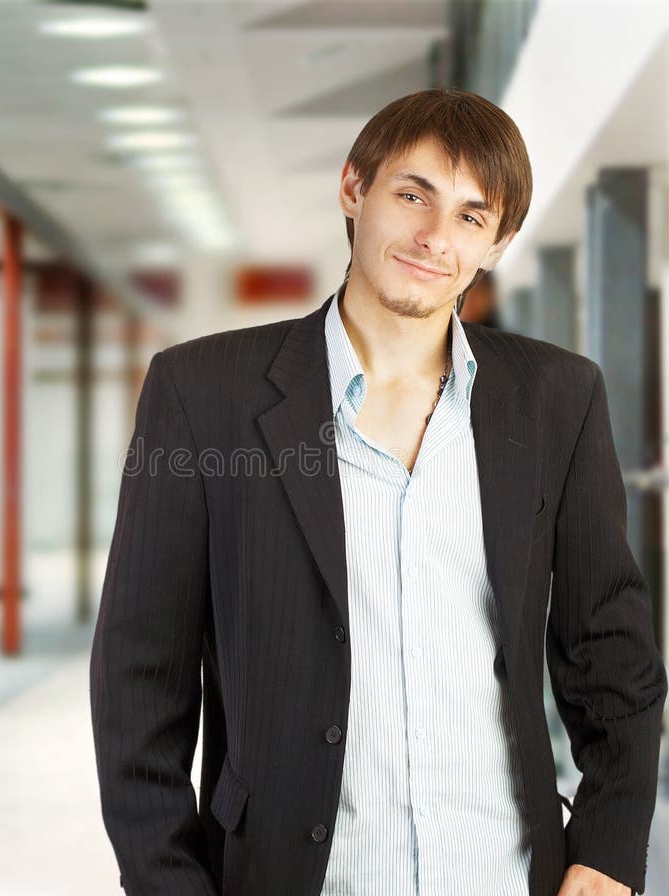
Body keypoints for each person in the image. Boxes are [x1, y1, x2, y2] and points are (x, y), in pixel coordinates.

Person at [89, 88, 667, 896]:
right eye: (413, 196)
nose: (436, 237)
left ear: (496, 243)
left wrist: (607, 848)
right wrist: (167, 882)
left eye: (472, 216)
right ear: (354, 190)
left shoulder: (557, 399)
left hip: (504, 873)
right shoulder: (203, 394)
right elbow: (137, 674)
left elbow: (610, 649)